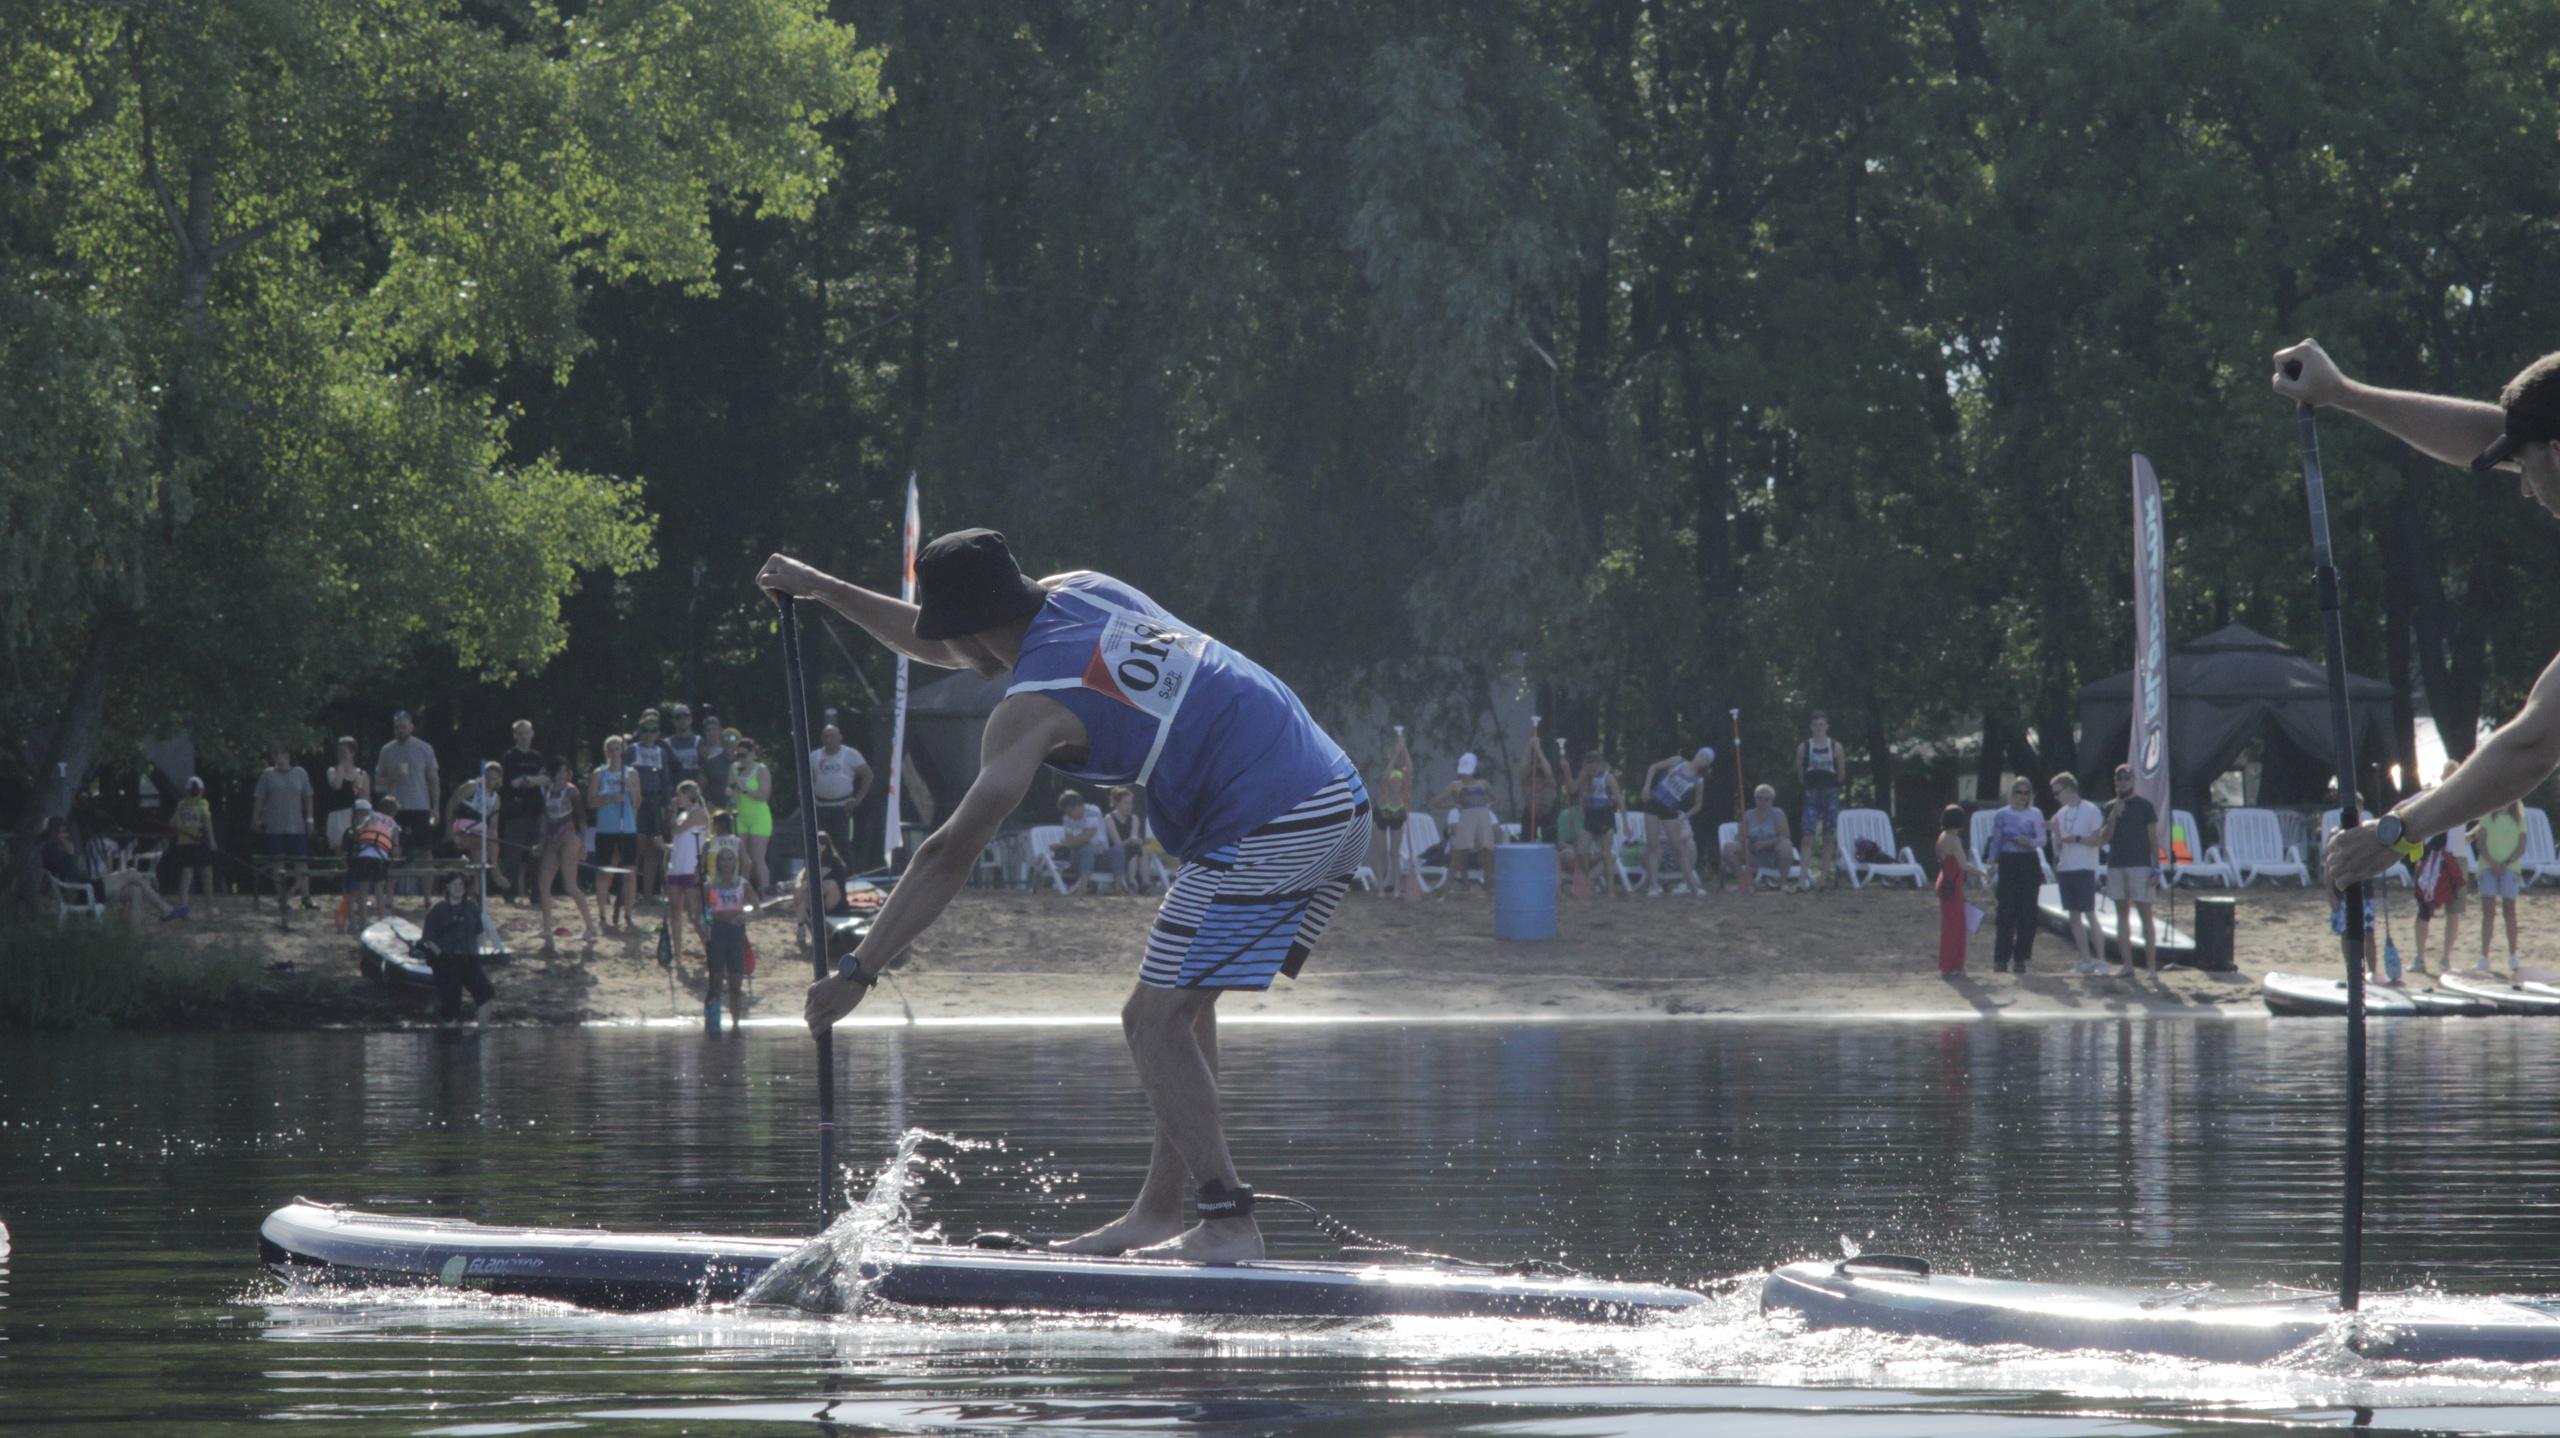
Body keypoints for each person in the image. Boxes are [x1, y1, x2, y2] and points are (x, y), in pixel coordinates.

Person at [765, 528, 1369, 1263]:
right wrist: (822, 587)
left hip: (1274, 817)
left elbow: (950, 852)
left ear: (970, 628)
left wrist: (859, 970)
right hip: (1335, 790)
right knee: (1180, 1006)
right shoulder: (1083, 588)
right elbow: (947, 643)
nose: (946, 650)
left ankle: (1228, 1222)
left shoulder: (1031, 711)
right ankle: (1159, 1212)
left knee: (1151, 1021)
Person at [2282, 342, 2560, 932]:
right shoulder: (2549, 440)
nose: (2525, 489)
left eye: (2524, 468)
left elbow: (2537, 742)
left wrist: (2395, 834)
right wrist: (2343, 393)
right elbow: (2487, 436)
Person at [39, 817, 181, 921]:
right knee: (132, 873)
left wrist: (68, 850)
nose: (67, 835)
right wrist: (69, 849)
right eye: (63, 832)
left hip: (87, 888)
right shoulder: (53, 853)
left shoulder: (54, 851)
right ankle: (165, 909)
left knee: (136, 891)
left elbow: (71, 871)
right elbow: (72, 875)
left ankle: (136, 939)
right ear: (54, 834)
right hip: (84, 891)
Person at [2094, 764, 2160, 975]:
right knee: (2122, 914)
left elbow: (2153, 839)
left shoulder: (2144, 806)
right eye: (2119, 778)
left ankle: (2151, 968)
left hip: (2140, 865)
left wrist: (2157, 868)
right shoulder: (2109, 807)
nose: (2123, 782)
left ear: (2133, 780)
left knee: (2145, 914)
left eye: (2126, 778)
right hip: (2117, 865)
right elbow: (2105, 838)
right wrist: (2114, 814)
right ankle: (2128, 965)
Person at [1985, 777, 2049, 974]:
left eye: (2026, 793)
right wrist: (1991, 863)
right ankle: (2001, 958)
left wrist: (2028, 841)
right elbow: (1996, 841)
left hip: (2028, 861)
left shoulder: (2035, 813)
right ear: (2012, 794)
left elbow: (2043, 840)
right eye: (2019, 792)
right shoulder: (2002, 814)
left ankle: (2021, 957)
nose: (2022, 797)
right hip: (2009, 861)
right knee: (2006, 911)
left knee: (2028, 912)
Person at [2412, 761, 2471, 974]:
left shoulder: (2468, 799)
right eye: (2449, 774)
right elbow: (2408, 808)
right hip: (2432, 859)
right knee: (2424, 910)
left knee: (2453, 913)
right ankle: (2420, 958)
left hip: (2456, 858)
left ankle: (2446, 958)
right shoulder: (2432, 797)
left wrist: (2472, 836)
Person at [701, 812, 757, 1030]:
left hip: (735, 932)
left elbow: (758, 909)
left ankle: (736, 1026)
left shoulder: (742, 884)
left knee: (736, 984)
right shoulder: (710, 886)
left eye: (729, 859)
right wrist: (705, 924)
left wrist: (746, 915)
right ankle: (712, 1021)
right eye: (722, 859)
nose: (726, 862)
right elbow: (701, 910)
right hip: (716, 931)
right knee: (715, 981)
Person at [418, 874, 496, 1028]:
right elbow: (427, 938)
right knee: (451, 1004)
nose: (458, 888)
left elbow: (479, 931)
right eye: (455, 884)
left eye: (461, 885)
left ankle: (482, 1032)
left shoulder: (472, 907)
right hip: (446, 962)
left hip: (469, 959)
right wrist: (440, 954)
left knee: (486, 994)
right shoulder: (438, 910)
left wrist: (476, 951)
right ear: (448, 887)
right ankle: (449, 1037)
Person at [532, 755, 596, 943]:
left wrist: (583, 844)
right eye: (558, 771)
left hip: (569, 837)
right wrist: (540, 843)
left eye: (564, 771)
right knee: (544, 883)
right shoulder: (547, 791)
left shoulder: (572, 791)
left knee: (570, 884)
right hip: (552, 840)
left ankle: (590, 926)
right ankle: (547, 929)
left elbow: (581, 818)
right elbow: (545, 819)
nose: (561, 775)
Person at [2048, 773, 2106, 972]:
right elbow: (2059, 846)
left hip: (2085, 867)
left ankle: (2102, 960)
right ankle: (2086, 960)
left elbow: (2099, 840)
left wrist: (2078, 839)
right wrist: (2056, 832)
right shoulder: (2060, 814)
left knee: (2089, 913)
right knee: (2074, 917)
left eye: (2058, 792)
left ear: (2070, 789)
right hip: (2066, 868)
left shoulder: (2091, 810)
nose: (2056, 797)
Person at [1638, 748, 1712, 894]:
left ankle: (1693, 886)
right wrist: (1646, 786)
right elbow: (1654, 767)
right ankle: (1654, 885)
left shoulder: (1698, 780)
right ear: (1696, 754)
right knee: (1652, 845)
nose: (1701, 759)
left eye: (1705, 759)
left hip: (1670, 809)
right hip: (1654, 802)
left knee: (1678, 847)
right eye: (1701, 755)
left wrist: (1684, 817)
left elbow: (1698, 805)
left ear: (1706, 765)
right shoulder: (1678, 761)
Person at [587, 733, 641, 930]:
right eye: (611, 749)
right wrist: (610, 798)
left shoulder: (631, 773)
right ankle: (602, 913)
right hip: (606, 828)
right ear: (606, 752)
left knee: (629, 872)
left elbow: (637, 802)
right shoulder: (599, 774)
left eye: (618, 748)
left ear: (623, 751)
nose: (614, 752)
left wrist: (631, 788)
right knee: (604, 872)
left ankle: (628, 914)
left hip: (627, 828)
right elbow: (591, 802)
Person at [1427, 754, 1503, 896]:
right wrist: (1454, 805)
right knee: (1458, 856)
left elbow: (1496, 799)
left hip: (1482, 818)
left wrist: (1487, 805)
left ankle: (1490, 890)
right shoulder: (1456, 785)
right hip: (1466, 817)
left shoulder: (1483, 784)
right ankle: (1446, 892)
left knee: (1486, 856)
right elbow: (1437, 802)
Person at [251, 747, 315, 911]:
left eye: (278, 753)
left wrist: (310, 819)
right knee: (278, 863)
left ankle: (306, 897)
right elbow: (260, 798)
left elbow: (308, 796)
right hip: (274, 826)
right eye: (273, 754)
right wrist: (256, 819)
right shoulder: (267, 775)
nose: (275, 757)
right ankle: (282, 898)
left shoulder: (300, 773)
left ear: (287, 755)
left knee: (301, 862)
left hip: (296, 826)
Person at [375, 711, 440, 860]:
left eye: (403, 727)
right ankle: (392, 876)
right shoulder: (387, 750)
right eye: (397, 727)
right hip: (394, 809)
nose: (400, 730)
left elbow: (434, 780)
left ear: (411, 727)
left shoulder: (424, 748)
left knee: (425, 850)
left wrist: (435, 808)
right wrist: (392, 778)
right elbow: (378, 780)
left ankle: (427, 876)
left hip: (420, 807)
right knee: (394, 849)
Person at [2473, 800, 2527, 975]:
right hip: (2488, 867)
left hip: (2509, 868)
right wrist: (2492, 863)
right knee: (2488, 912)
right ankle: (2484, 957)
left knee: (2510, 911)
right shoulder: (2487, 816)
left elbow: (2521, 846)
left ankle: (2513, 956)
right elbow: (2481, 844)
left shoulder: (2519, 818)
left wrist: (2505, 863)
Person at [1797, 712, 1849, 890]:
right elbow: (1800, 772)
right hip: (1811, 794)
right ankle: (1802, 881)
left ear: (1827, 726)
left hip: (1830, 795)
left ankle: (1823, 880)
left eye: (1821, 724)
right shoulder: (1804, 747)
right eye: (1815, 724)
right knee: (1807, 837)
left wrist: (1831, 786)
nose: (1818, 728)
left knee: (1828, 837)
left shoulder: (1836, 747)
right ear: (1811, 727)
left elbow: (1841, 772)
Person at [1934, 804, 1987, 974]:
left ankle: (1951, 964)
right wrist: (1982, 873)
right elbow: (1963, 865)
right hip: (1951, 884)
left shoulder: (1942, 836)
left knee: (1953, 924)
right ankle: (1951, 965)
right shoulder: (1954, 840)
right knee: (1955, 927)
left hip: (1946, 881)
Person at [663, 779, 710, 966]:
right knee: (675, 911)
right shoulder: (683, 815)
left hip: (691, 867)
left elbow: (677, 830)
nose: (677, 799)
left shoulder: (698, 813)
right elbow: (677, 839)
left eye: (680, 795)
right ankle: (678, 955)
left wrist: (674, 812)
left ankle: (709, 949)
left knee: (694, 914)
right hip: (677, 866)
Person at [444, 761, 506, 902]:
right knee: (486, 842)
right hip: (462, 830)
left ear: (499, 780)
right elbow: (451, 805)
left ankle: (476, 896)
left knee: (481, 858)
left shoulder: (496, 799)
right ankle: (496, 871)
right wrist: (448, 829)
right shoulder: (472, 787)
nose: (490, 781)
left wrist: (494, 840)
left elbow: (493, 826)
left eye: (494, 778)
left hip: (481, 834)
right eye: (488, 777)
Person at [498, 720, 545, 902]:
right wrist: (532, 780)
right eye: (521, 733)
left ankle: (537, 894)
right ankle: (510, 892)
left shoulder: (537, 757)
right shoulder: (510, 757)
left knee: (537, 854)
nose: (524, 736)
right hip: (515, 813)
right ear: (515, 736)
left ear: (532, 734)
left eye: (527, 733)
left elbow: (545, 779)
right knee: (513, 855)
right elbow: (511, 783)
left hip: (536, 811)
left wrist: (526, 780)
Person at [809, 723, 875, 852]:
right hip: (820, 807)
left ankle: (847, 866)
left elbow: (868, 775)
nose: (829, 739)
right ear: (822, 738)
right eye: (826, 736)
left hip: (843, 808)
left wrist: (858, 800)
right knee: (820, 845)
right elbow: (805, 777)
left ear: (840, 737)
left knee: (843, 844)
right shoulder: (814, 756)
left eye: (832, 736)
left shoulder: (850, 754)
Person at [1723, 784, 1801, 892]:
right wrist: (1747, 842)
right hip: (1752, 853)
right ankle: (1743, 883)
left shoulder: (1777, 814)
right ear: (1755, 799)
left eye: (1767, 799)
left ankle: (1783, 884)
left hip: (1772, 854)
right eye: (1759, 798)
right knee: (1729, 847)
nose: (1762, 801)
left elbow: (1784, 836)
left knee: (1786, 845)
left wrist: (1765, 844)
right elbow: (1740, 836)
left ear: (1772, 800)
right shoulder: (1748, 815)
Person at [162, 776, 220, 918]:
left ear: (187, 791)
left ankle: (182, 907)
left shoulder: (182, 805)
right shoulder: (202, 803)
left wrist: (184, 830)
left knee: (187, 875)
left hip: (184, 844)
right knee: (207, 876)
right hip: (200, 844)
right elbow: (206, 821)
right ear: (202, 790)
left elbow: (172, 824)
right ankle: (209, 908)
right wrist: (212, 841)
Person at [1573, 747, 1625, 895]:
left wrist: (1626, 822)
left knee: (1605, 853)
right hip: (1591, 815)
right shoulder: (1586, 777)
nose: (1592, 772)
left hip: (1605, 815)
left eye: (1594, 769)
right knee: (1581, 850)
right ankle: (1588, 878)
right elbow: (1578, 792)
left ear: (1599, 765)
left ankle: (1611, 889)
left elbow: (1619, 799)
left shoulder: (1608, 777)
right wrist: (1582, 807)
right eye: (1589, 769)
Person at [727, 736, 774, 890]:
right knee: (742, 858)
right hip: (740, 816)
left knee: (757, 858)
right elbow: (731, 789)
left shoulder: (761, 769)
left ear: (752, 753)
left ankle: (765, 891)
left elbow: (764, 796)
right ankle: (743, 891)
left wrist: (746, 789)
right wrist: (731, 791)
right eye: (737, 755)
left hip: (759, 817)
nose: (740, 759)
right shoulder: (734, 768)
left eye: (743, 755)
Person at [1371, 731, 1414, 898]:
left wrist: (1404, 749)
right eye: (1394, 780)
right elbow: (1386, 774)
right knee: (1382, 853)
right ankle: (1381, 888)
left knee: (1394, 853)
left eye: (1399, 781)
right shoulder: (1384, 791)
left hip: (1397, 819)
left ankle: (1396, 888)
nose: (1397, 783)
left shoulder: (1405, 792)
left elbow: (1410, 770)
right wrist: (1396, 753)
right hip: (1381, 819)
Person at [346, 798, 401, 924]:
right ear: (394, 812)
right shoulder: (394, 825)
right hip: (381, 858)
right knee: (379, 891)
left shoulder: (371, 816)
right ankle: (381, 919)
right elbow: (395, 849)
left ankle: (363, 921)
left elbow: (358, 831)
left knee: (363, 891)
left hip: (364, 856)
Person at [1051, 789, 1107, 894]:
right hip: (1078, 854)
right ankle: (1083, 886)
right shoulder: (1067, 819)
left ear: (1077, 806)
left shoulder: (1092, 811)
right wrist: (1080, 842)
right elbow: (1073, 840)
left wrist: (1062, 844)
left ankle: (1085, 887)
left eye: (1069, 811)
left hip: (1100, 854)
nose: (1068, 815)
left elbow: (1086, 837)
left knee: (1089, 850)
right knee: (1087, 850)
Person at [322, 736, 370, 857]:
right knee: (340, 850)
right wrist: (342, 766)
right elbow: (337, 786)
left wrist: (357, 788)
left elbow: (364, 798)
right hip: (337, 814)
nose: (340, 755)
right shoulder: (333, 771)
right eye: (338, 751)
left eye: (343, 752)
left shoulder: (361, 774)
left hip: (355, 814)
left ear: (352, 753)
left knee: (356, 848)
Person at [1098, 787, 1150, 895]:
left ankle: (1143, 884)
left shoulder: (1134, 818)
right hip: (1115, 854)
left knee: (1140, 848)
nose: (1129, 806)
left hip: (1130, 851)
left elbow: (1134, 836)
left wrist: (1138, 841)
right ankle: (1133, 883)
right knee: (1136, 850)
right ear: (1117, 803)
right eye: (1125, 803)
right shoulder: (1109, 819)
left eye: (1130, 803)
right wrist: (1131, 840)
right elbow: (1117, 843)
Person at [699, 716, 732, 808]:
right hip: (710, 799)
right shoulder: (701, 751)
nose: (711, 732)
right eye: (708, 730)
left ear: (721, 730)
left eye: (714, 729)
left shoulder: (727, 749)